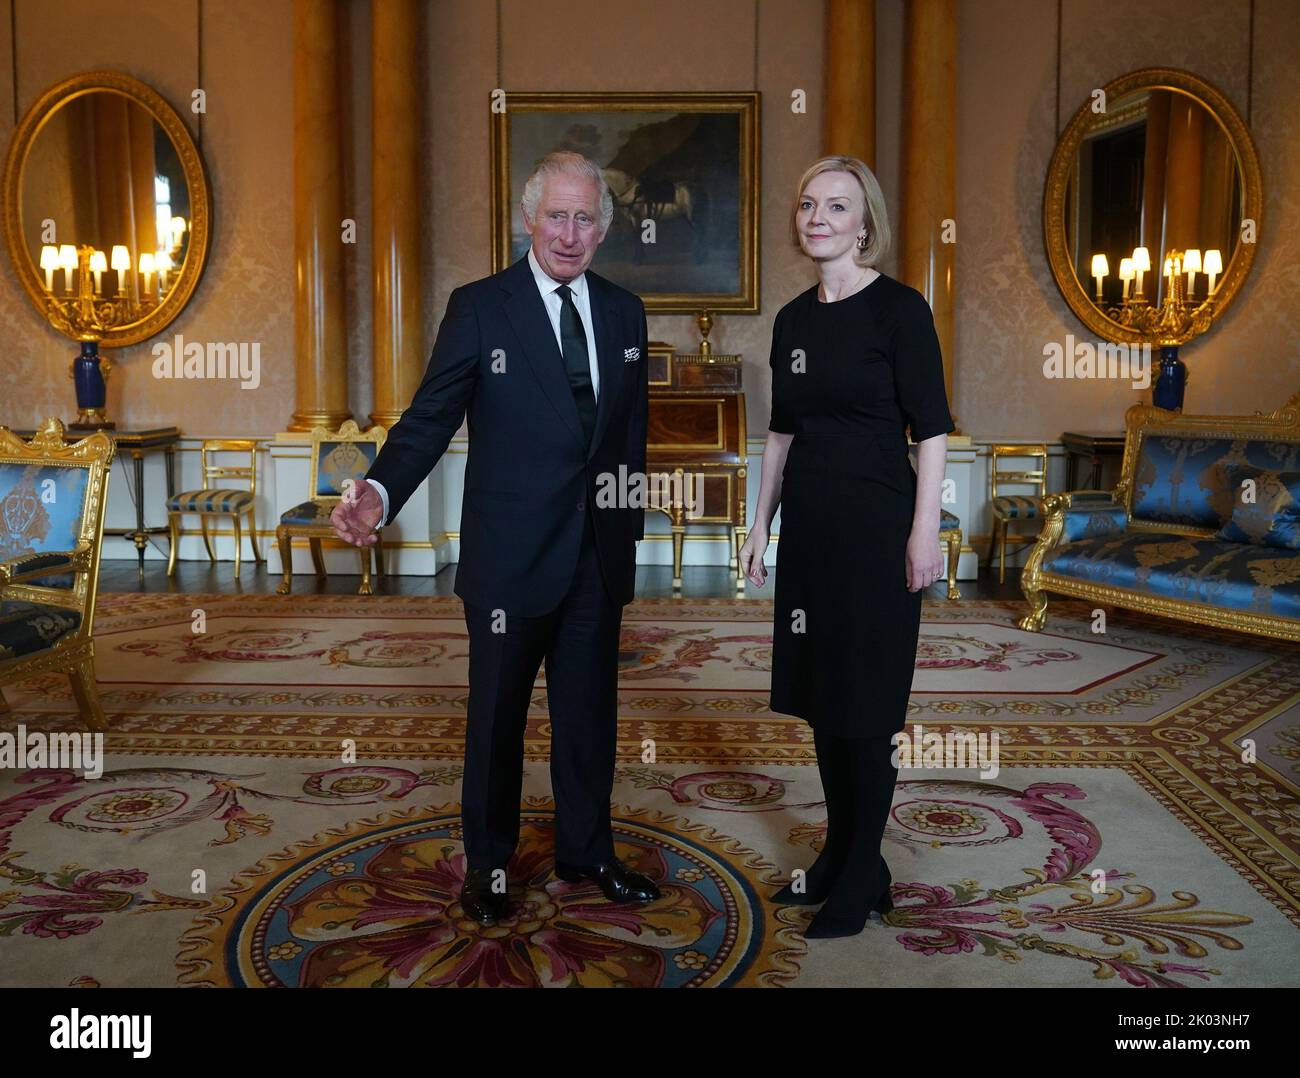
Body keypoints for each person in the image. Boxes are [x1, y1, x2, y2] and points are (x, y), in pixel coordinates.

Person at [330, 151, 658, 927]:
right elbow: (431, 415)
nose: (569, 234)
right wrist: (378, 490)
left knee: (588, 717)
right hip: (511, 558)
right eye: (556, 215)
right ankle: (489, 868)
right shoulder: (481, 307)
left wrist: (627, 535)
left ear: (604, 229)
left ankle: (588, 851)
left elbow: (629, 438)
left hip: (596, 556)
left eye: (586, 218)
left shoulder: (623, 312)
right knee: (497, 718)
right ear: (527, 219)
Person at [739, 155, 954, 939]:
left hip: (878, 529)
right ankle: (843, 852)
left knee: (868, 704)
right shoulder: (793, 320)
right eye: (807, 205)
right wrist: (760, 523)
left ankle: (862, 870)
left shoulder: (900, 310)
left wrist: (924, 529)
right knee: (825, 700)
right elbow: (781, 431)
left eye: (836, 206)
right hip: (812, 533)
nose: (818, 217)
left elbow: (930, 429)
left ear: (866, 225)